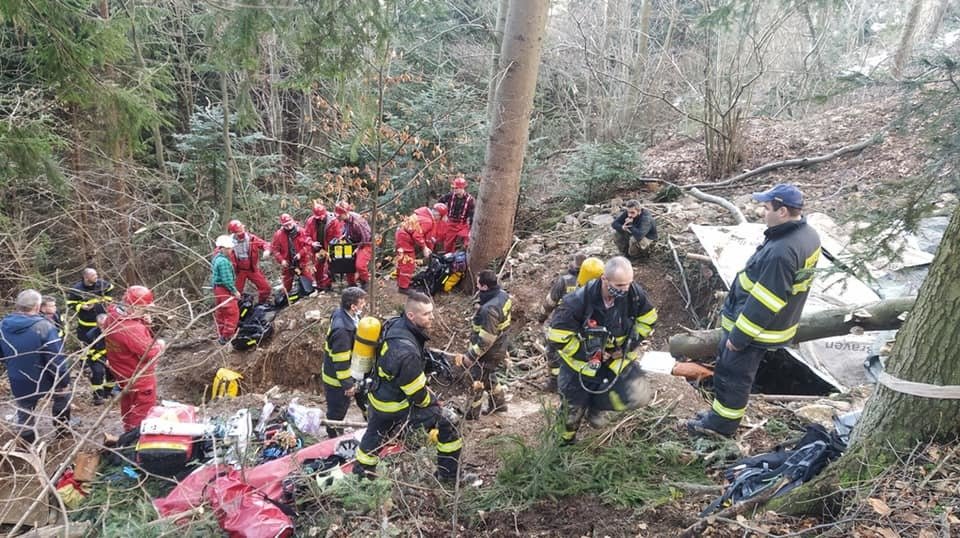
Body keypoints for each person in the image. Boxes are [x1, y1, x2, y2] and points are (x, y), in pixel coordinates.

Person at [687, 184, 821, 438]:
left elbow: (765, 301)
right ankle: (717, 418)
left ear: (782, 212)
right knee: (731, 375)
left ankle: (720, 427)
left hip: (752, 330)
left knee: (731, 377)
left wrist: (738, 338)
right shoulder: (808, 235)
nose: (762, 212)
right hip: (772, 324)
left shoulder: (782, 252)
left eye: (766, 207)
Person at [546, 256, 658, 444]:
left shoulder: (634, 295)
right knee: (571, 413)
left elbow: (648, 319)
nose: (625, 289)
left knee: (638, 394)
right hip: (580, 367)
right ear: (604, 279)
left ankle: (596, 407)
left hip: (615, 359)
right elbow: (557, 337)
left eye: (629, 284)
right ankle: (562, 445)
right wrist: (589, 353)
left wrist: (628, 346)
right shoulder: (577, 302)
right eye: (620, 285)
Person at [354, 292, 462, 483]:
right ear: (411, 315)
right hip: (398, 406)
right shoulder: (406, 353)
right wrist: (434, 402)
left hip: (378, 397)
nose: (432, 317)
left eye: (431, 313)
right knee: (449, 420)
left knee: (372, 438)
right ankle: (449, 476)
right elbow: (418, 396)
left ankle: (361, 477)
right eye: (426, 314)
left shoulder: (396, 324)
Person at [1, 289, 71, 443]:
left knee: (25, 412)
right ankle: (62, 433)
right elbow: (56, 360)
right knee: (62, 397)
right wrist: (63, 380)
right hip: (45, 377)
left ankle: (29, 446)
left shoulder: (2, 326)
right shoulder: (44, 326)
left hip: (18, 378)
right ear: (38, 307)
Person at [536, 255, 604, 391]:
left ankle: (555, 382)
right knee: (587, 351)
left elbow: (550, 302)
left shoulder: (565, 281)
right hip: (589, 327)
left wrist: (541, 318)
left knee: (553, 350)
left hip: (565, 325)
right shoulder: (599, 286)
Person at [104, 285, 166, 432]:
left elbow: (129, 342)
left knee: (127, 402)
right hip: (138, 375)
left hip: (121, 371)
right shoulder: (131, 329)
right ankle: (135, 437)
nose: (147, 311)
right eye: (144, 308)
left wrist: (143, 321)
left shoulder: (112, 315)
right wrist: (160, 345)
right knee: (142, 409)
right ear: (135, 306)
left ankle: (128, 429)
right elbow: (149, 352)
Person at [455, 270, 512, 420]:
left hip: (490, 350)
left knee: (476, 380)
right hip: (500, 344)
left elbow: (486, 340)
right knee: (488, 377)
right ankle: (499, 404)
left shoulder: (489, 310)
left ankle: (472, 414)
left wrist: (471, 356)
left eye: (478, 282)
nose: (477, 284)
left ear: (485, 287)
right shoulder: (503, 295)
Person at [321, 286, 367, 438]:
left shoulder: (346, 315)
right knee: (337, 412)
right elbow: (340, 360)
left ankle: (371, 427)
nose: (364, 305)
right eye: (361, 303)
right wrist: (347, 384)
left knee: (365, 402)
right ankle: (333, 438)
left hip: (353, 372)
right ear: (353, 306)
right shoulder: (342, 330)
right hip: (337, 381)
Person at [66, 268, 115, 403]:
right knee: (87, 348)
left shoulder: (101, 284)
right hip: (86, 324)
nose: (96, 277)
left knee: (110, 363)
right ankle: (86, 366)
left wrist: (104, 300)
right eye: (93, 275)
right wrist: (81, 306)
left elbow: (111, 288)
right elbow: (70, 304)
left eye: (96, 275)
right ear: (86, 277)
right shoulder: (76, 289)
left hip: (102, 321)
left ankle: (107, 391)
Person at [395, 203, 446, 295]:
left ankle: (401, 281)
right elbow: (417, 234)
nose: (439, 220)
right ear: (437, 215)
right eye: (440, 217)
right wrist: (424, 247)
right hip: (404, 238)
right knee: (408, 262)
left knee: (403, 260)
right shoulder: (428, 221)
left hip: (402, 235)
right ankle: (403, 287)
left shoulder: (423, 214)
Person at [271, 213, 315, 300]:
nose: (289, 226)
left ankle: (309, 296)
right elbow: (275, 250)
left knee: (308, 279)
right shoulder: (279, 235)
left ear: (293, 221)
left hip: (302, 261)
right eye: (286, 225)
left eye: (290, 223)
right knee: (287, 283)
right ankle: (286, 299)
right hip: (287, 262)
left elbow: (308, 245)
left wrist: (300, 253)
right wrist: (281, 260)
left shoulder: (301, 231)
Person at [227, 219, 272, 304]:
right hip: (239, 271)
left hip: (251, 268)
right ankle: (237, 312)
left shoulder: (251, 238)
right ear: (234, 233)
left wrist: (267, 250)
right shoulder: (228, 242)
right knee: (235, 294)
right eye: (239, 232)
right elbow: (219, 252)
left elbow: (265, 244)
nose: (241, 233)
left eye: (242, 230)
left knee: (265, 288)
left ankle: (262, 304)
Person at [333, 201, 373, 289]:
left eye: (339, 215)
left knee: (360, 265)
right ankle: (351, 283)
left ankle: (365, 282)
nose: (338, 217)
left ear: (345, 213)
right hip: (353, 241)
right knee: (347, 261)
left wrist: (358, 249)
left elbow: (366, 237)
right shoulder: (345, 220)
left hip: (365, 243)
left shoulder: (358, 221)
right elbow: (346, 230)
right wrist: (343, 236)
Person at [305, 202, 343, 292]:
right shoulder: (311, 222)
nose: (321, 218)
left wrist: (332, 246)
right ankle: (322, 285)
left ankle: (333, 282)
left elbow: (338, 235)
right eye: (318, 217)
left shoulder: (333, 221)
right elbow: (306, 236)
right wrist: (312, 243)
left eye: (322, 216)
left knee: (333, 265)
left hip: (331, 247)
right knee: (318, 267)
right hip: (318, 248)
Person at [212, 234, 242, 345]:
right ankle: (227, 336)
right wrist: (234, 291)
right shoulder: (223, 262)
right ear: (222, 248)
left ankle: (221, 333)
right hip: (224, 290)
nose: (231, 250)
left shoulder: (217, 258)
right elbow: (227, 280)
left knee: (221, 313)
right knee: (232, 313)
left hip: (217, 289)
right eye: (228, 248)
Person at [438, 175, 475, 252]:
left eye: (456, 188)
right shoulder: (450, 196)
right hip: (450, 224)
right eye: (454, 188)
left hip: (462, 225)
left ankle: (463, 255)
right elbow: (440, 202)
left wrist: (471, 228)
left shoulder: (470, 200)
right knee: (448, 244)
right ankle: (448, 258)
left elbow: (472, 215)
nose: (454, 189)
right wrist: (443, 214)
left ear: (462, 188)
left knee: (467, 239)